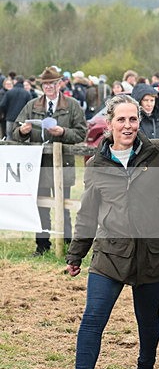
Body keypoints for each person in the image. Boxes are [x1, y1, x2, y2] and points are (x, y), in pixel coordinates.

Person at [50, 94, 159, 369]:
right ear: (109, 124)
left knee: (147, 321)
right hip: (110, 255)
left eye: (133, 119)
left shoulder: (158, 152)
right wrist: (77, 254)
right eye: (121, 119)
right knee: (92, 320)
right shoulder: (97, 166)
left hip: (152, 254)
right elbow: (88, 215)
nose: (128, 125)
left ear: (139, 121)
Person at [13, 66, 88, 255]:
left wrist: (63, 132)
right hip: (39, 165)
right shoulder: (32, 105)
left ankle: (69, 246)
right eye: (45, 84)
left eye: (52, 83)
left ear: (59, 84)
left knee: (64, 206)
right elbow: (14, 130)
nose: (49, 87)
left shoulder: (72, 105)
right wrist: (22, 132)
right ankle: (42, 246)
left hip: (64, 163)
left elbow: (81, 132)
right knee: (40, 206)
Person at [0, 74, 31, 139]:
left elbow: (2, 105)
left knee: (9, 137)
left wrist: (5, 113)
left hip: (10, 118)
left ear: (15, 81)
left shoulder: (9, 92)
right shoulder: (27, 93)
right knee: (22, 138)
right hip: (22, 120)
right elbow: (30, 107)